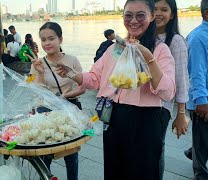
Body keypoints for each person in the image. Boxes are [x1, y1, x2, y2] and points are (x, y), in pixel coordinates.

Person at [55, 0, 176, 179]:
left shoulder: (160, 50)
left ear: (151, 17)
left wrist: (149, 58)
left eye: (140, 15)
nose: (133, 20)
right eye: (128, 15)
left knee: (142, 172)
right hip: (113, 116)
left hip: (144, 121)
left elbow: (168, 92)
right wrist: (72, 74)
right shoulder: (115, 48)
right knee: (114, 169)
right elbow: (95, 78)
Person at [27, 22, 85, 180]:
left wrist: (64, 97)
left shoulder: (72, 60)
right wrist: (39, 73)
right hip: (46, 111)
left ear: (60, 39)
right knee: (45, 153)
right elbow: (37, 91)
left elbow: (83, 86)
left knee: (71, 153)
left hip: (69, 109)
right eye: (43, 39)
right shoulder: (38, 63)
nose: (47, 43)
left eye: (51, 38)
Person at [154, 0, 190, 179]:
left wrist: (181, 113)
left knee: (155, 150)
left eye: (164, 9)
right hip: (141, 103)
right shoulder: (144, 37)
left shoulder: (176, 41)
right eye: (154, 9)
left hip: (161, 107)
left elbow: (182, 79)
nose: (158, 13)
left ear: (172, 14)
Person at [186, 0, 208, 179]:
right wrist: (201, 100)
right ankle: (200, 173)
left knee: (203, 138)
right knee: (202, 139)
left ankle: (192, 151)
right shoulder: (198, 38)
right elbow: (196, 72)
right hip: (203, 99)